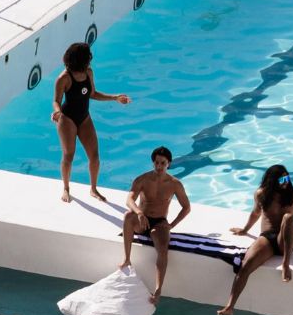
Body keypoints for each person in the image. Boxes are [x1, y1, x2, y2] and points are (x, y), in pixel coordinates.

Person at [222, 164, 293, 315]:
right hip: (268, 238)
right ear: (271, 181)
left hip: (286, 239)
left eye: (287, 178)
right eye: (281, 179)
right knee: (246, 266)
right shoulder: (261, 194)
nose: (285, 181)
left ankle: (285, 264)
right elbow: (255, 213)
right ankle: (230, 306)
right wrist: (244, 230)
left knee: (288, 217)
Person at [51, 41, 128, 203]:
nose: (89, 61)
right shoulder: (64, 78)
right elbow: (56, 101)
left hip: (84, 117)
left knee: (94, 156)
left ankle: (93, 188)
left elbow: (92, 94)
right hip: (67, 119)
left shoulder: (88, 73)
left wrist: (114, 98)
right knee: (68, 155)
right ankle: (66, 188)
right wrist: (57, 112)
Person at [121, 147, 191, 298]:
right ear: (153, 163)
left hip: (159, 223)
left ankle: (158, 288)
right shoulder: (142, 179)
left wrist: (171, 225)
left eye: (163, 163)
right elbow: (129, 199)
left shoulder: (174, 184)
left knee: (163, 249)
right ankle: (127, 259)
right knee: (128, 216)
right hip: (142, 220)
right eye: (157, 163)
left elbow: (186, 208)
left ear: (169, 164)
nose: (159, 166)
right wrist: (139, 212)